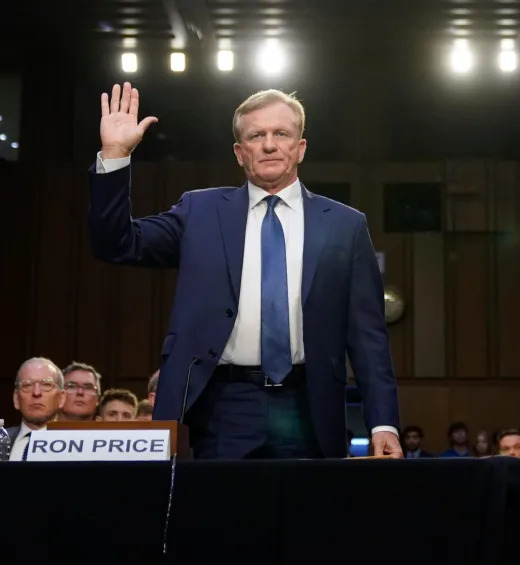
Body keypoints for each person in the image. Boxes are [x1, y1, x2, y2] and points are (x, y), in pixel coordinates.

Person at [87, 82, 401, 459]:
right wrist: (116, 154)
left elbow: (368, 335)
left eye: (281, 133)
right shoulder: (199, 212)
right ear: (240, 153)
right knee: (221, 518)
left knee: (308, 517)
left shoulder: (345, 225)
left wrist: (383, 422)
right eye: (256, 135)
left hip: (310, 403)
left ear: (300, 147)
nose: (269, 144)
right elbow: (117, 243)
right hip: (221, 405)